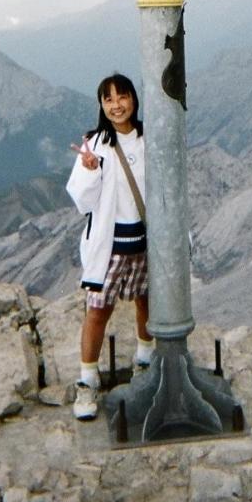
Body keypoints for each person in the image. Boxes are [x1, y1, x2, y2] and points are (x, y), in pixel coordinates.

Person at [66, 72, 153, 421]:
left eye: (122, 96)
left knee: (148, 302)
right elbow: (83, 202)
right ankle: (87, 382)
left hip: (145, 241)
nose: (116, 105)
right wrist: (89, 170)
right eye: (108, 99)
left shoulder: (149, 138)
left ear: (133, 99)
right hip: (111, 246)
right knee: (98, 310)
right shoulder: (96, 145)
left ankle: (145, 363)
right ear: (101, 105)